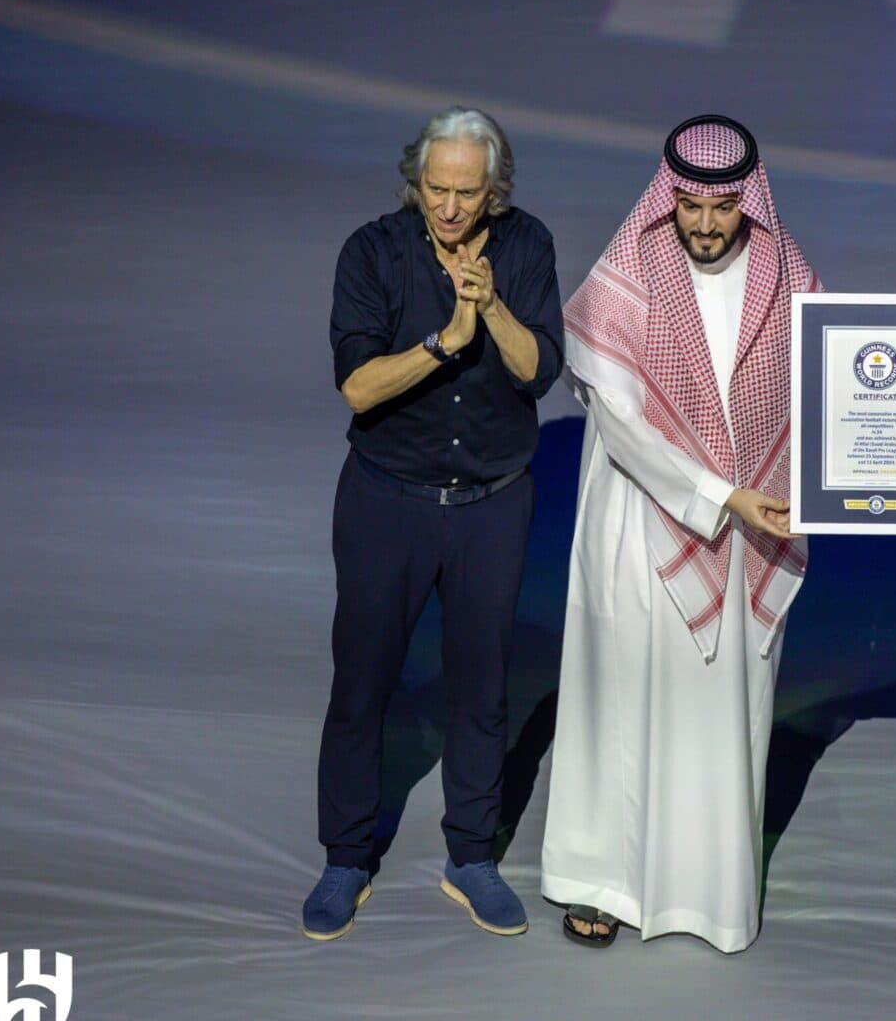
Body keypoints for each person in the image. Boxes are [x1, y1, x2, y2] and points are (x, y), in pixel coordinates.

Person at [540, 114, 818, 953]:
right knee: (623, 697)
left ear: (749, 200)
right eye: (690, 205)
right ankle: (604, 883)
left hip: (748, 529)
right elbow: (622, 426)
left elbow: (834, 398)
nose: (704, 224)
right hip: (640, 518)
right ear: (668, 197)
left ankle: (708, 894)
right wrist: (714, 493)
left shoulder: (788, 277)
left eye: (722, 206)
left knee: (721, 707)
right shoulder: (628, 274)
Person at [301, 107, 564, 941]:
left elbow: (538, 372)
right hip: (387, 502)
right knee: (362, 681)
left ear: (495, 191)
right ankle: (346, 857)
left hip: (492, 501)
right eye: (434, 189)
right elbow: (358, 388)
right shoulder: (372, 252)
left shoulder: (526, 248)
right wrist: (447, 340)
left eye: (466, 193)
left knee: (484, 684)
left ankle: (472, 857)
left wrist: (489, 314)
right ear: (416, 181)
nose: (448, 209)